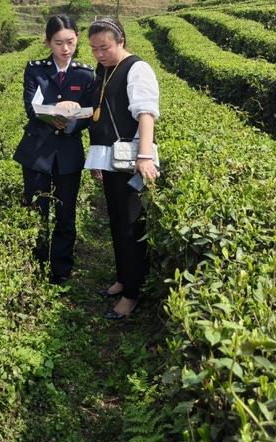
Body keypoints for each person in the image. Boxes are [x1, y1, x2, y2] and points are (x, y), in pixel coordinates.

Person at [84, 18, 161, 320]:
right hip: (112, 160)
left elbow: (145, 114)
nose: (99, 54)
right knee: (117, 221)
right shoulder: (103, 70)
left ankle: (132, 294)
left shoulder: (137, 68)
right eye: (94, 49)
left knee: (132, 227)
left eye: (105, 47)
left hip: (132, 162)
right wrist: (96, 160)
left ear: (121, 41)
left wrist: (144, 157)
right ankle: (122, 279)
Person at [13, 14, 94, 285]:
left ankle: (61, 269)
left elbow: (88, 115)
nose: (65, 49)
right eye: (58, 43)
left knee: (65, 212)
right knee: (37, 210)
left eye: (70, 42)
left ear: (77, 39)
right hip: (38, 151)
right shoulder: (35, 69)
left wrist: (71, 121)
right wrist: (58, 111)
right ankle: (37, 265)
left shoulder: (85, 73)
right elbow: (30, 107)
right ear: (47, 42)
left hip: (68, 153)